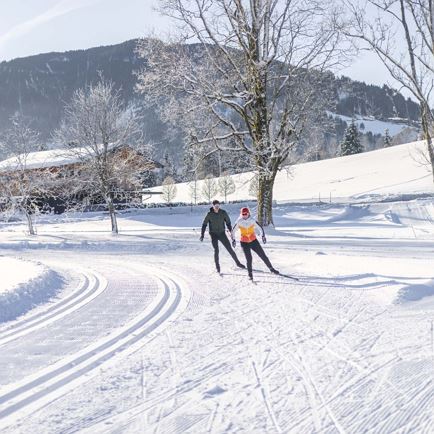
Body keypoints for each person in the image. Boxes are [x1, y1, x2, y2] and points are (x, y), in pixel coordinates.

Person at [231, 207, 279, 280]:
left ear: (248, 213)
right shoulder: (239, 222)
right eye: (243, 214)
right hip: (244, 243)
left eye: (246, 214)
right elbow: (233, 231)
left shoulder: (252, 220)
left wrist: (263, 236)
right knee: (249, 259)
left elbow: (260, 228)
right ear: (241, 214)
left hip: (253, 241)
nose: (244, 215)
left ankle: (271, 269)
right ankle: (250, 275)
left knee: (263, 256)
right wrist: (233, 240)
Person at [200, 199, 246, 273]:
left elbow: (228, 222)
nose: (217, 207)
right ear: (213, 206)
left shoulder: (223, 213)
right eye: (215, 206)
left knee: (229, 248)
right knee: (216, 250)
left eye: (218, 206)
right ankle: (217, 267)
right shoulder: (209, 214)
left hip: (222, 233)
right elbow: (204, 224)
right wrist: (202, 234)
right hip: (213, 234)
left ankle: (238, 263)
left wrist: (231, 231)